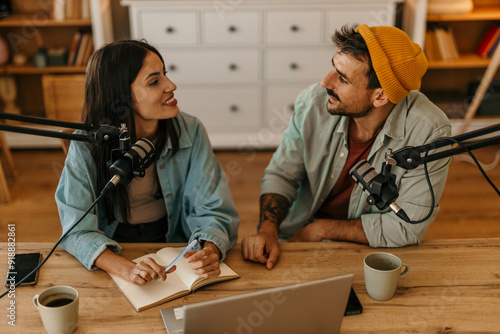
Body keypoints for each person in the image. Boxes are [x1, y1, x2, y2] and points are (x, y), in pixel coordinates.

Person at [242, 24, 451, 269]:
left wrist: (322, 229)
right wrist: (268, 229)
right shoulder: (313, 103)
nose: (325, 82)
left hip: (370, 250)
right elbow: (282, 174)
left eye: (342, 78)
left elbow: (408, 227)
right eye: (334, 67)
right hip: (297, 236)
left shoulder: (430, 131)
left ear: (380, 96)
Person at [55, 40, 239, 285]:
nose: (171, 86)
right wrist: (126, 269)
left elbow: (214, 208)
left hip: (175, 241)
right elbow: (75, 228)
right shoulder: (87, 143)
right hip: (111, 247)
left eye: (165, 74)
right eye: (154, 82)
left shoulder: (191, 130)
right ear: (120, 96)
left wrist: (210, 248)